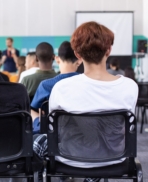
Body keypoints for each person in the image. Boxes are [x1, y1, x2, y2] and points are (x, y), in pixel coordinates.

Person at [33, 22, 138, 182]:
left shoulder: (61, 88)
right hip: (114, 159)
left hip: (69, 158)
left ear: (78, 55)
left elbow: (56, 129)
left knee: (38, 140)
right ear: (108, 50)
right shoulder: (129, 87)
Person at [30, 41, 81, 130]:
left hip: (53, 136)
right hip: (82, 134)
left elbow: (33, 109)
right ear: (79, 61)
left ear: (57, 59)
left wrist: (38, 121)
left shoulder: (46, 85)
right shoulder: (86, 83)